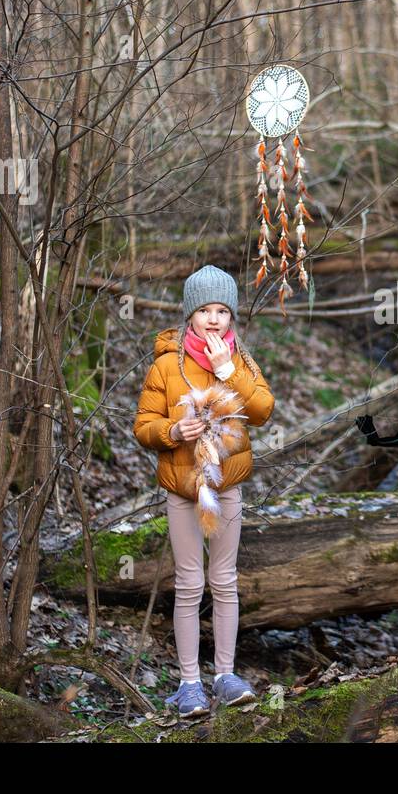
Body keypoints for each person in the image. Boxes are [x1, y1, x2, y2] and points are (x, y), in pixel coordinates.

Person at [133, 264, 274, 717]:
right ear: (189, 315)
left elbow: (263, 409)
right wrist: (174, 430)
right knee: (190, 584)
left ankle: (226, 676)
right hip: (183, 489)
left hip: (226, 487)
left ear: (231, 317)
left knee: (225, 581)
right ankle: (190, 682)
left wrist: (227, 370)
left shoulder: (242, 361)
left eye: (221, 311)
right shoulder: (165, 364)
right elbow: (143, 426)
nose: (213, 319)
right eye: (204, 310)